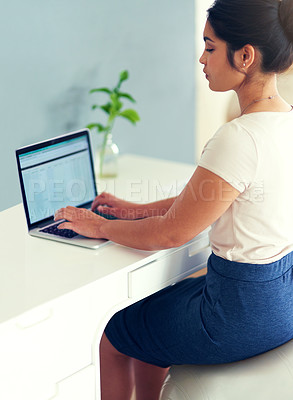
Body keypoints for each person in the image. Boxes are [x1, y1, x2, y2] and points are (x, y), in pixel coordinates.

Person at [55, 0, 293, 399]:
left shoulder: (239, 137)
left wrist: (99, 226)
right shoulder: (284, 123)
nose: (202, 58)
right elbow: (201, 199)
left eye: (210, 47)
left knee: (115, 333)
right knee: (152, 314)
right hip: (280, 305)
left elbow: (171, 234)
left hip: (235, 318)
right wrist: (133, 211)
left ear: (246, 56)